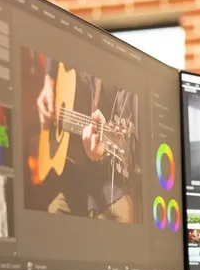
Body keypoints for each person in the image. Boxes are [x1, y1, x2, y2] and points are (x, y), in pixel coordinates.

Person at [36, 56, 137, 222]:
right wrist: (49, 80)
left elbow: (129, 139)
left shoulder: (119, 72)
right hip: (73, 184)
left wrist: (105, 148)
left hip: (110, 186)